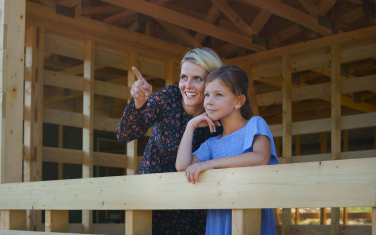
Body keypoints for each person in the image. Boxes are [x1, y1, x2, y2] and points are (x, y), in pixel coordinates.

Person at [116, 47, 224, 235]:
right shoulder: (168, 97)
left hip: (195, 204)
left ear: (212, 82)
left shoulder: (220, 117)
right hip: (153, 195)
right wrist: (138, 102)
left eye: (197, 78)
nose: (187, 85)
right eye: (184, 77)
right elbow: (124, 135)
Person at [176, 65, 278, 235]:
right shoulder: (212, 143)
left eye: (219, 95)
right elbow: (182, 166)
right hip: (218, 218)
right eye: (207, 94)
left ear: (238, 101)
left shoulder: (255, 124)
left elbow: (261, 158)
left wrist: (210, 164)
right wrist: (190, 126)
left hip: (250, 215)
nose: (208, 101)